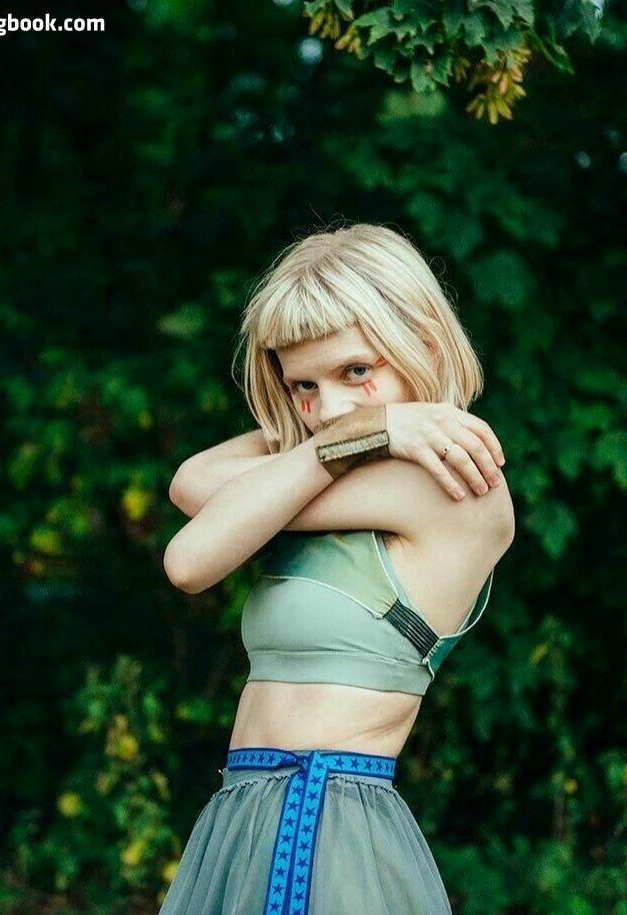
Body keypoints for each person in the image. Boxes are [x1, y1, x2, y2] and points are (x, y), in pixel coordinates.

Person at [160, 223, 515, 914]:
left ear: (424, 345)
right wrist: (368, 430)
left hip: (323, 826)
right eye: (303, 385)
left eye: (356, 370)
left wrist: (347, 442)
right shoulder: (336, 458)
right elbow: (190, 481)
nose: (330, 410)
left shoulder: (449, 485)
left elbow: (190, 556)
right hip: (243, 815)